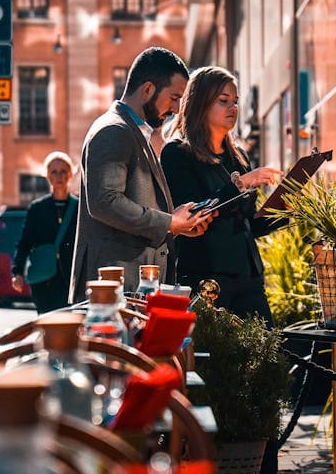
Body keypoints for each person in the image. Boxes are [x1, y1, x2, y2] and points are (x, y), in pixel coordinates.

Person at [68, 47, 214, 302]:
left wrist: (176, 224)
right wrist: (168, 222)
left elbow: (133, 206)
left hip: (130, 285)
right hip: (115, 288)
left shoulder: (134, 132)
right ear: (147, 89)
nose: (177, 109)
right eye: (174, 97)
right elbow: (105, 202)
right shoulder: (114, 130)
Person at [160, 66, 283, 322]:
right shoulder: (177, 153)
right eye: (223, 101)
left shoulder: (237, 157)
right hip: (207, 278)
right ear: (200, 103)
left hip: (248, 276)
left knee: (266, 356)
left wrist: (284, 208)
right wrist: (242, 184)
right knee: (215, 359)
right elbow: (194, 213)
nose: (233, 108)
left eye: (235, 102)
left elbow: (250, 224)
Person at [12, 152, 78, 314]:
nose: (59, 176)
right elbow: (25, 243)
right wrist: (17, 272)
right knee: (47, 325)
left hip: (71, 281)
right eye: (54, 172)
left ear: (70, 174)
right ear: (47, 175)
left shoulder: (79, 207)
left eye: (63, 171)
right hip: (44, 281)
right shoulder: (37, 208)